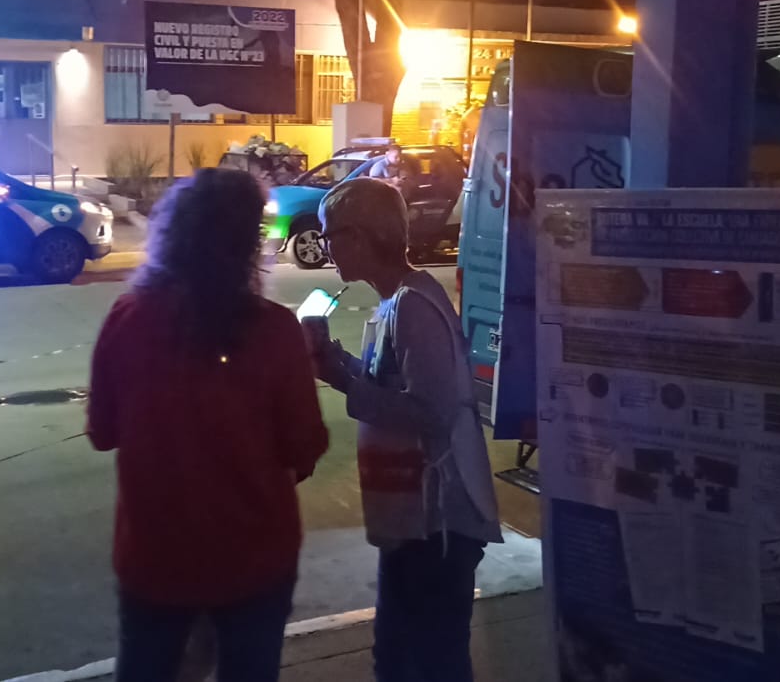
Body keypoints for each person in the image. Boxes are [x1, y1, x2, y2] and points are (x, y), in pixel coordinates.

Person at [88, 168, 330, 682]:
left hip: (155, 553)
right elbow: (305, 445)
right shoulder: (274, 330)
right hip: (254, 556)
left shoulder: (128, 318)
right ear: (246, 244)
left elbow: (102, 431)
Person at [304, 178, 503, 682]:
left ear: (360, 237)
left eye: (330, 236)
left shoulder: (413, 305)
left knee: (424, 661)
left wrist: (338, 379)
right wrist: (335, 360)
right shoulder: (396, 301)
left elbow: (430, 411)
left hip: (436, 524)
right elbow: (388, 384)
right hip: (414, 522)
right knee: (402, 658)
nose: (326, 248)